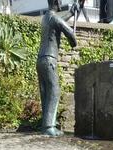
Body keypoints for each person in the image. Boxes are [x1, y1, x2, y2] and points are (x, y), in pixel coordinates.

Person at [37, 0, 79, 137]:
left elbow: (60, 21)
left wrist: (72, 13)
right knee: (54, 91)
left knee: (45, 92)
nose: (61, 3)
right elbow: (71, 35)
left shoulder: (46, 18)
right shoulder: (54, 18)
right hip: (50, 59)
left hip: (41, 59)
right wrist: (73, 39)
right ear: (56, 2)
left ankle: (45, 126)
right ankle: (49, 126)